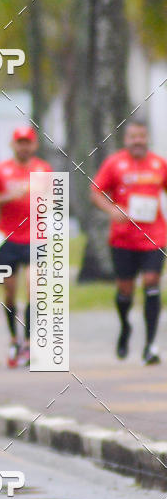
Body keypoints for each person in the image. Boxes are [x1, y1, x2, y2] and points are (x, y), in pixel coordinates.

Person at [91, 120, 167, 364]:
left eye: (142, 137)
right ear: (126, 139)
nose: (138, 141)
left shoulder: (159, 164)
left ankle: (150, 345)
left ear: (147, 138)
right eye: (133, 137)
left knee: (151, 281)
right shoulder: (115, 163)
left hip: (154, 237)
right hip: (123, 239)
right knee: (125, 291)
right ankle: (125, 328)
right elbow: (96, 192)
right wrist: (113, 209)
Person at [0, 126, 52, 367]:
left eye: (27, 142)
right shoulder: (1, 171)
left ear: (34, 145)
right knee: (10, 292)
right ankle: (13, 339)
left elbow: (54, 201)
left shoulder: (43, 169)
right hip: (7, 237)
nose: (24, 147)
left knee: (34, 288)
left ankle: (29, 343)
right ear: (12, 144)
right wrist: (8, 196)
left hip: (35, 237)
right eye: (20, 142)